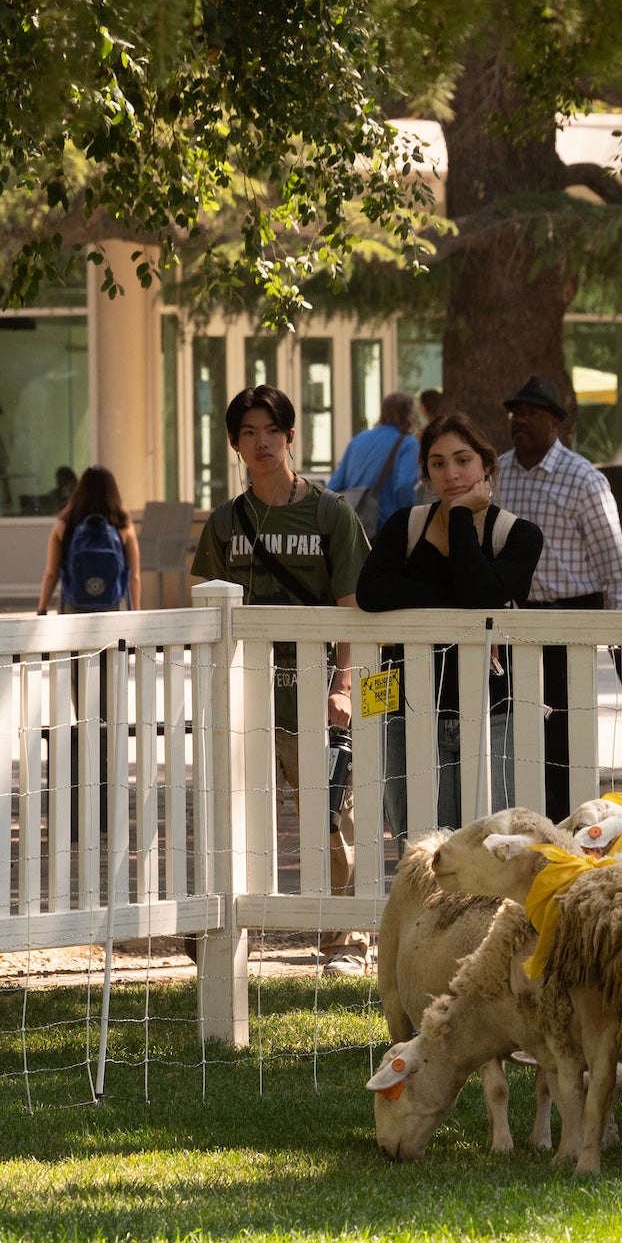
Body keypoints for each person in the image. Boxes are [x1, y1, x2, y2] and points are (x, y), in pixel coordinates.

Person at [189, 384, 372, 973]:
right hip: (244, 704)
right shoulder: (222, 524)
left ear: (291, 436)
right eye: (248, 432)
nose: (261, 442)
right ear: (235, 444)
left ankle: (345, 944)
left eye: (271, 430)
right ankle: (219, 936)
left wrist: (344, 685)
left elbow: (353, 610)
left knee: (329, 820)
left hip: (313, 702)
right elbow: (203, 617)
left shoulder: (328, 514)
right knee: (228, 817)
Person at [358, 412, 544, 834]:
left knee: (489, 852)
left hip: (492, 713)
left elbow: (481, 597)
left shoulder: (519, 535)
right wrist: (454, 585)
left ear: (486, 467)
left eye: (463, 460)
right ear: (426, 471)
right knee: (420, 850)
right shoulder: (403, 526)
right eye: (438, 463)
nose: (451, 473)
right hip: (406, 711)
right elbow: (371, 594)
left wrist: (459, 520)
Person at [492, 374, 622, 821]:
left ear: (556, 422)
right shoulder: (497, 472)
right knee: (513, 732)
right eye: (517, 412)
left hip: (571, 618)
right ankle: (523, 828)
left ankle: (569, 832)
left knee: (565, 738)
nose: (521, 420)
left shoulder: (583, 481)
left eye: (533, 412)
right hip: (514, 620)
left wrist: (621, 647)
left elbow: (618, 572)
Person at [36, 467, 140, 613]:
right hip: (112, 604)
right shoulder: (122, 524)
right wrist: (136, 610)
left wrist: (42, 609)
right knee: (113, 636)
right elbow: (134, 575)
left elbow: (52, 573)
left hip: (73, 604)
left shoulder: (65, 524)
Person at [331, 391, 421, 529]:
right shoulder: (408, 444)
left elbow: (335, 485)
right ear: (409, 414)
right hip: (387, 526)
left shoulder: (358, 439)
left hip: (352, 524)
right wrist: (409, 520)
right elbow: (405, 484)